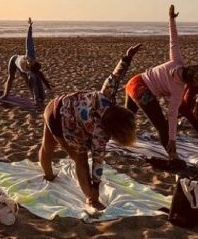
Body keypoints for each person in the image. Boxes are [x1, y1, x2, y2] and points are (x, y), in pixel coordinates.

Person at [40, 44, 140, 210]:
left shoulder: (105, 96)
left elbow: (115, 76)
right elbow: (97, 163)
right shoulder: (100, 135)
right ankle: (90, 200)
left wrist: (127, 57)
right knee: (81, 159)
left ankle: (48, 175)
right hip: (62, 122)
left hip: (56, 104)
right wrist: (95, 188)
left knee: (47, 146)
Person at [124, 5, 198, 159]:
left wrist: (171, 19)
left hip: (134, 81)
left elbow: (174, 40)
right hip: (141, 90)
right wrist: (172, 140)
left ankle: (111, 136)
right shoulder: (178, 89)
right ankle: (173, 156)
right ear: (192, 82)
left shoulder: (177, 61)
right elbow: (172, 115)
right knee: (161, 126)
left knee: (127, 118)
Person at [1, 17, 52, 106]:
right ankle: (6, 94)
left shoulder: (32, 70)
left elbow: (40, 81)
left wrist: (47, 89)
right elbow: (29, 40)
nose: (31, 62)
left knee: (29, 81)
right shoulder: (30, 54)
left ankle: (34, 97)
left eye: (31, 63)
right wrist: (30, 27)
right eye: (31, 62)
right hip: (14, 60)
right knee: (11, 77)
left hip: (23, 68)